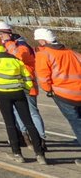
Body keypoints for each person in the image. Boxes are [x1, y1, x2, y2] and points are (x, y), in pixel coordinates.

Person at [0, 32, 47, 164]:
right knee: (29, 122)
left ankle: (17, 153)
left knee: (10, 123)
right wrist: (27, 89)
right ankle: (40, 154)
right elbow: (26, 76)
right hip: (19, 92)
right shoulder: (13, 58)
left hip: (2, 94)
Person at [0, 20, 46, 148]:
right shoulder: (9, 44)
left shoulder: (21, 45)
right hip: (16, 84)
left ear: (8, 33)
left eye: (1, 34)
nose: (0, 37)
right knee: (18, 112)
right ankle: (26, 137)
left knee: (32, 112)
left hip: (27, 83)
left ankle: (41, 139)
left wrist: (8, 46)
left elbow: (18, 59)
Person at [34, 28, 81, 166]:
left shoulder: (44, 54)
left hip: (64, 95)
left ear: (43, 41)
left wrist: (49, 90)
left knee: (77, 125)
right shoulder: (71, 52)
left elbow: (43, 77)